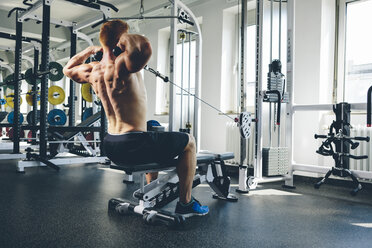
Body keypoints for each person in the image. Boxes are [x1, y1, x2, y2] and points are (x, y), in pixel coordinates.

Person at [63, 19, 209, 217]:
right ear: (119, 41)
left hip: (110, 145)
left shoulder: (93, 70)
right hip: (134, 146)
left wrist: (89, 51)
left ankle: (152, 194)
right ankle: (186, 202)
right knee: (189, 142)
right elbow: (144, 46)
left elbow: (68, 69)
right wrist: (122, 38)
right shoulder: (123, 64)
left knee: (152, 127)